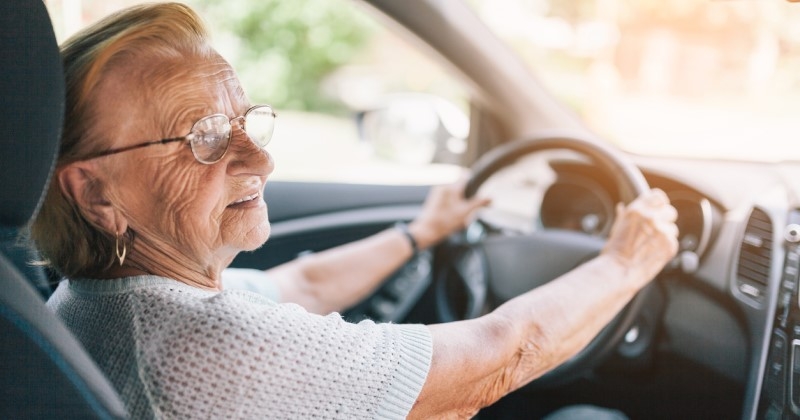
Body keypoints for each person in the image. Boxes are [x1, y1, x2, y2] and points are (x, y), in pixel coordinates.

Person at [31, 3, 679, 419]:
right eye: (202, 137)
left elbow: (302, 283)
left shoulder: (98, 303)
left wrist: (419, 233)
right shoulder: (200, 348)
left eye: (246, 122)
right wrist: (626, 262)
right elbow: (496, 356)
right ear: (95, 195)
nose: (260, 160)